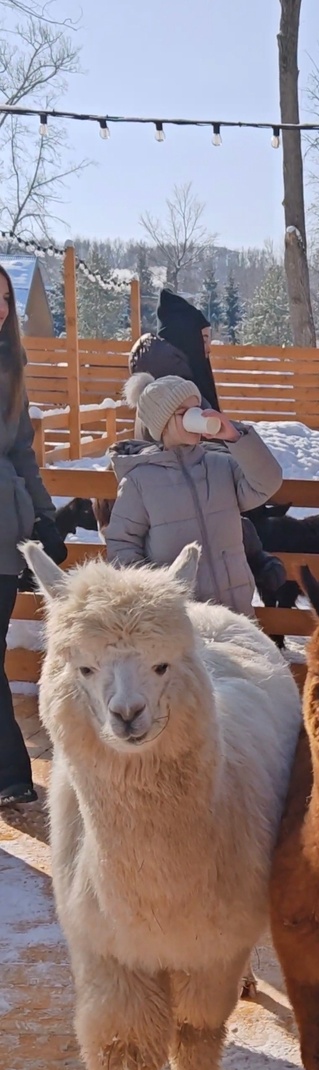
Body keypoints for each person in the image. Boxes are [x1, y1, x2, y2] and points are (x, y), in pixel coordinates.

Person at [105, 374, 282, 617]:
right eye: (184, 412)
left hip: (234, 614)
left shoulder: (221, 466)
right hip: (181, 621)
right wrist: (152, 597)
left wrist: (235, 436)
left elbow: (267, 482)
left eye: (197, 409)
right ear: (163, 422)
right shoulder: (140, 481)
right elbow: (122, 545)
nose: (196, 416)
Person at [0, 264, 66, 805]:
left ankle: (10, 774)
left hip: (2, 526)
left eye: (4, 298)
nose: (0, 307)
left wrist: (45, 517)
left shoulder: (10, 368)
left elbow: (22, 453)